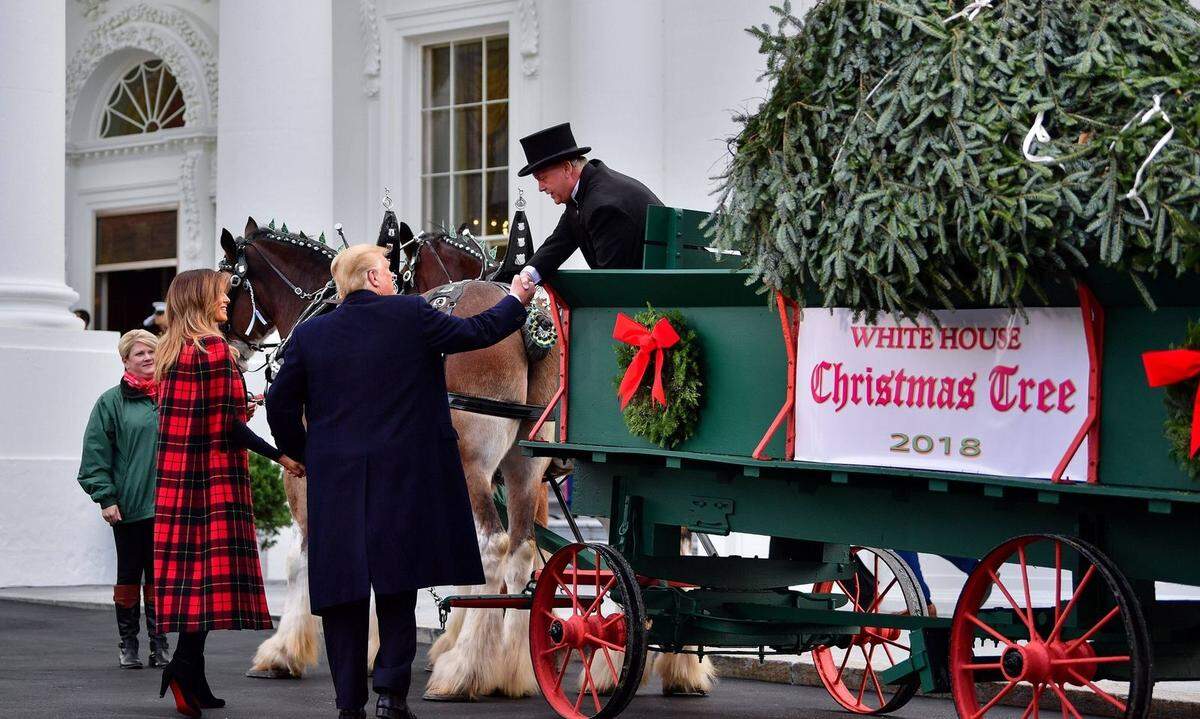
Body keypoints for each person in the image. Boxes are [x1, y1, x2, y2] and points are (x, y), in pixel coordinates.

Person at [265, 244, 535, 719]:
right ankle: (391, 696)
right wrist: (514, 297)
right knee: (396, 590)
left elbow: (279, 403)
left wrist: (300, 453)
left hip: (338, 482)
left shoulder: (310, 335)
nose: (394, 277)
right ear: (370, 278)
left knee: (343, 599)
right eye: (388, 271)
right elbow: (479, 330)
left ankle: (349, 705)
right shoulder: (413, 314)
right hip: (405, 480)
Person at [152, 269, 304, 717]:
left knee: (192, 580)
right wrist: (282, 456)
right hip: (213, 477)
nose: (227, 303)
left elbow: (202, 413)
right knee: (206, 579)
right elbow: (227, 426)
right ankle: (183, 667)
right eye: (220, 296)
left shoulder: (172, 351)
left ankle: (190, 673)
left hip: (179, 478)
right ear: (200, 300)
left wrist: (240, 402)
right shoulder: (215, 349)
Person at [77, 329, 170, 670]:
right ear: (126, 361)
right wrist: (106, 498)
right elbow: (95, 457)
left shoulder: (172, 396)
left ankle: (159, 644)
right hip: (129, 509)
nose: (147, 358)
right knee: (129, 576)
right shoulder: (111, 402)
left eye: (151, 352)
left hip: (168, 506)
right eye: (139, 354)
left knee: (161, 579)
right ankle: (128, 644)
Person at [514, 122, 663, 285]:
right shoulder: (586, 193)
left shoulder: (603, 205)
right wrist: (527, 276)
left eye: (542, 178)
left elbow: (612, 283)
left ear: (566, 168)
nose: (540, 188)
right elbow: (559, 242)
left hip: (651, 300)